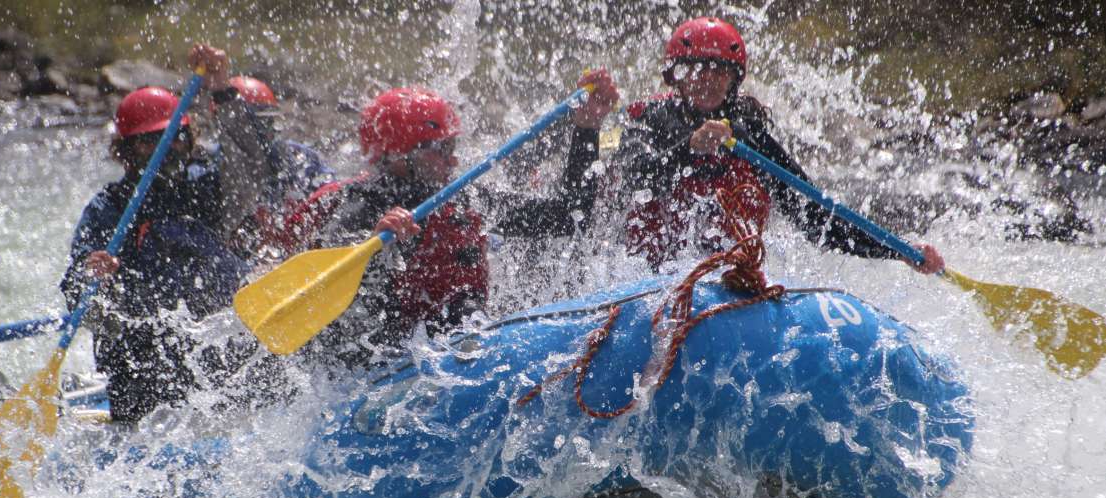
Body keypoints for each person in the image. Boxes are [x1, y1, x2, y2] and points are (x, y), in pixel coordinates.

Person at [281, 71, 618, 366]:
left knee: (466, 313)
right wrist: (374, 243)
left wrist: (586, 130)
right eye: (439, 150)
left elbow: (569, 216)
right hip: (377, 358)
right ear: (398, 156)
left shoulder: (463, 199)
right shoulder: (361, 204)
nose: (453, 160)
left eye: (452, 146)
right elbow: (326, 282)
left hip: (456, 343)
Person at [608, 17, 945, 274]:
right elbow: (635, 178)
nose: (707, 79)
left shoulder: (748, 132)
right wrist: (689, 149)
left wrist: (896, 251)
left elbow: (815, 217)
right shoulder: (648, 121)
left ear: (733, 79)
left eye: (718, 71)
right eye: (696, 69)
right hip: (651, 278)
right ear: (676, 77)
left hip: (729, 281)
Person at [60, 44, 268, 423]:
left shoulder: (211, 189)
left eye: (174, 136)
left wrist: (222, 89)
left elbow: (254, 168)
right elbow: (78, 297)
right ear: (126, 150)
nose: (167, 148)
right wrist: (94, 277)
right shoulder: (110, 209)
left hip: (222, 358)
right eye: (150, 142)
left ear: (190, 136)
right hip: (147, 376)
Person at [206, 74, 336, 259]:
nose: (260, 134)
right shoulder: (212, 169)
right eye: (253, 125)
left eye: (267, 123)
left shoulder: (300, 159)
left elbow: (332, 196)